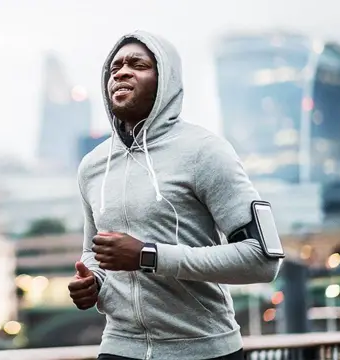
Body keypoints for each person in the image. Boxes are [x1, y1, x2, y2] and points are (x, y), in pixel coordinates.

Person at [68, 30, 283, 360]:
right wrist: (94, 282)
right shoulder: (93, 165)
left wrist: (147, 256)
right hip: (120, 347)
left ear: (165, 79)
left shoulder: (204, 152)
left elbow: (262, 260)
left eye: (137, 64)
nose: (122, 72)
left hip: (204, 349)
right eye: (115, 68)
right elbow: (93, 249)